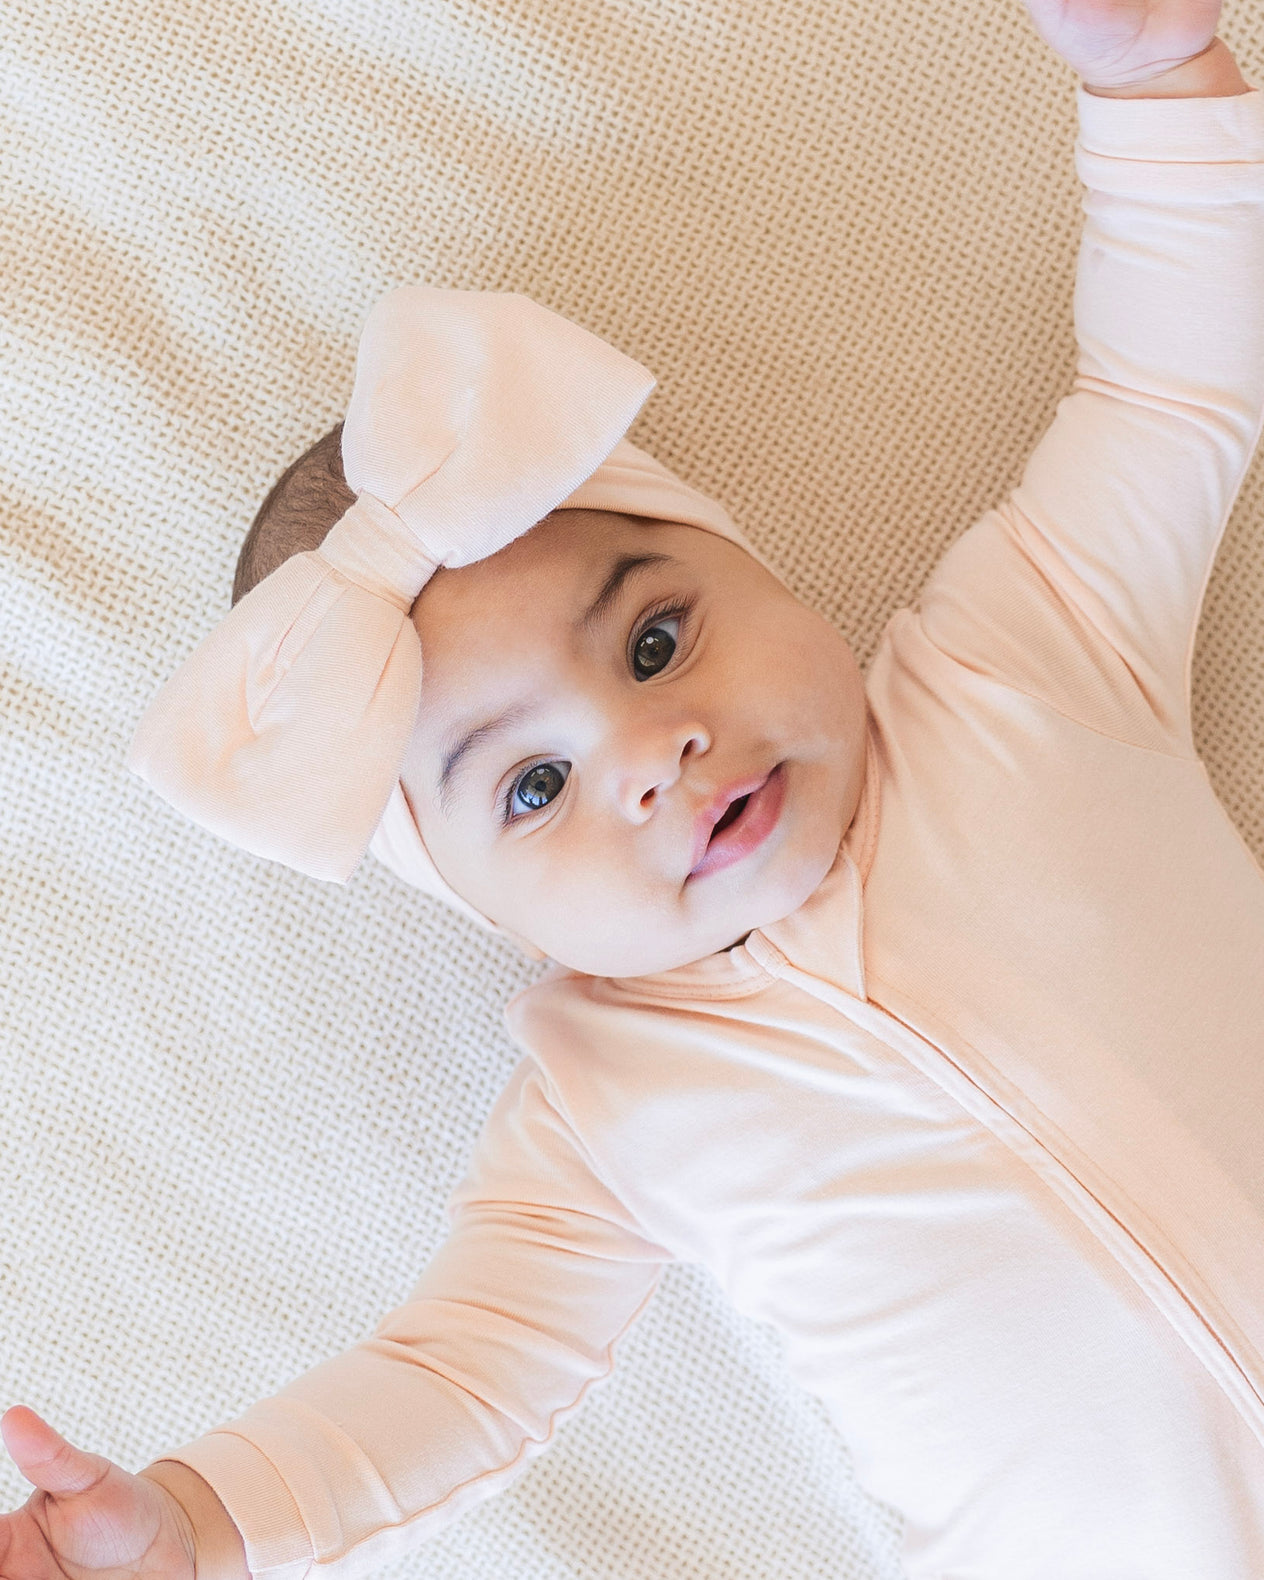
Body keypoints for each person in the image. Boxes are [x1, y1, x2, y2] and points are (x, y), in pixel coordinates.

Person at [4, 1, 1264, 1575]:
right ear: (481, 905)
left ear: (766, 575)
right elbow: (458, 1379)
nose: (648, 749)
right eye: (531, 787)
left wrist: (1154, 79)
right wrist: (193, 1523)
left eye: (658, 636)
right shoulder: (603, 1101)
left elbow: (1167, 399)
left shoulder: (1028, 665)